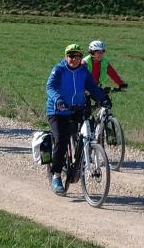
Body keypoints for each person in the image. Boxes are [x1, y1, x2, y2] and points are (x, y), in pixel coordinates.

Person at [45, 44, 108, 194]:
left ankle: (83, 157)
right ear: (66, 57)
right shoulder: (59, 69)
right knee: (61, 140)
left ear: (81, 58)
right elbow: (50, 87)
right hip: (57, 111)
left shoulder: (83, 71)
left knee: (88, 131)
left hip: (76, 108)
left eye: (77, 56)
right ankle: (57, 175)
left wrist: (103, 98)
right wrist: (58, 100)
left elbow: (92, 87)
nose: (74, 59)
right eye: (71, 56)